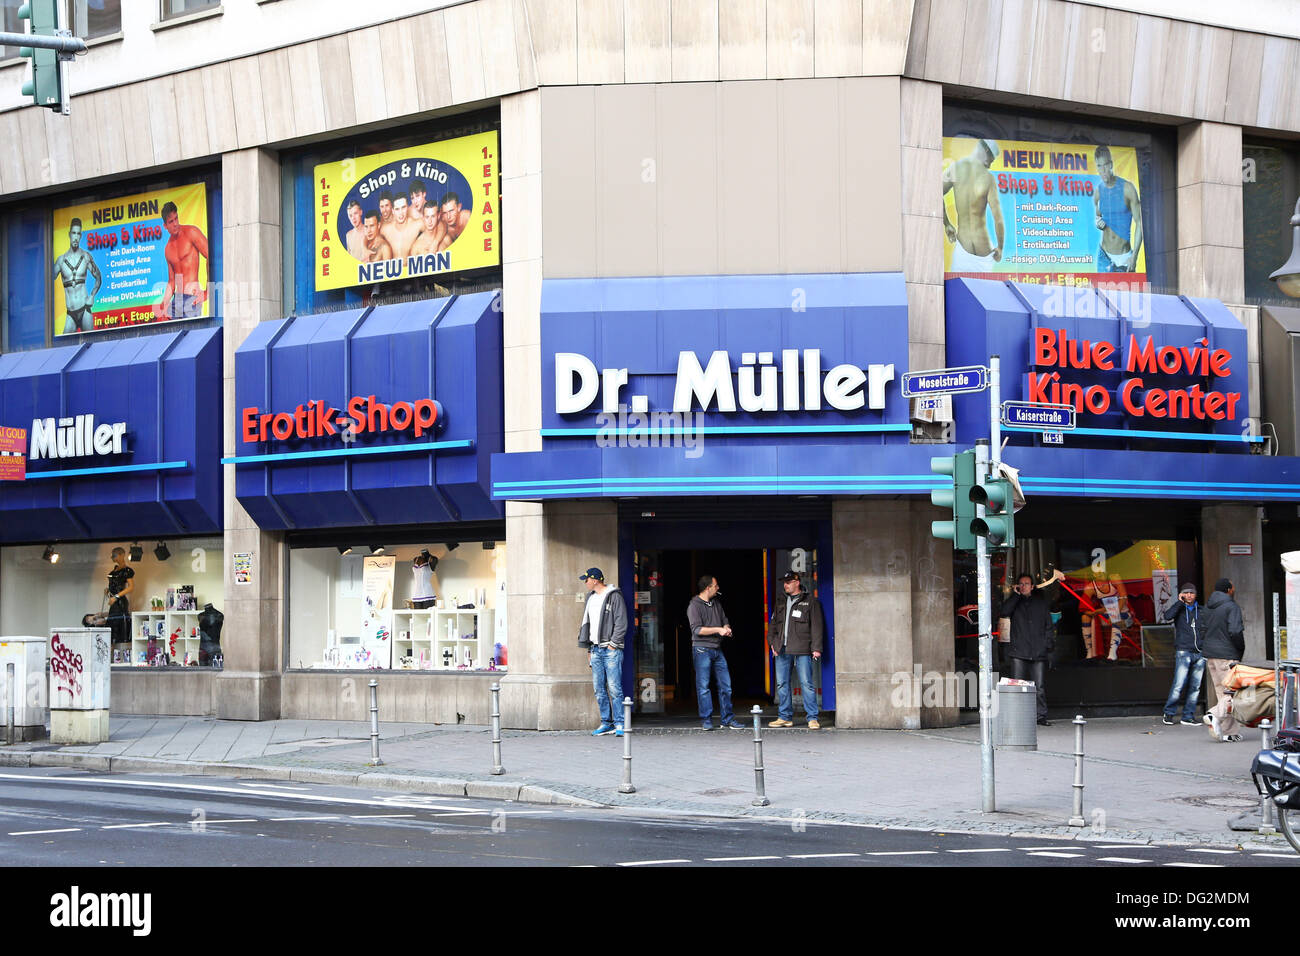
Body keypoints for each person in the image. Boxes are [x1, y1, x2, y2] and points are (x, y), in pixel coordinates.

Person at [999, 569, 1064, 726]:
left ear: (1032, 586)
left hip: (1038, 651)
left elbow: (1048, 625)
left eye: (1026, 584)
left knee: (1039, 687)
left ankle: (1040, 716)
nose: (1023, 586)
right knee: (1018, 687)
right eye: (1021, 584)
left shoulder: (1040, 604)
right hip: (1019, 651)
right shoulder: (1014, 602)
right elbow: (1004, 612)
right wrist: (1015, 595)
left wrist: (1047, 645)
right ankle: (1018, 717)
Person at [767, 570, 825, 729]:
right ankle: (785, 717)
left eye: (788, 582)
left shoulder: (810, 601)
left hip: (803, 649)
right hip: (781, 648)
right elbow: (773, 624)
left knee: (806, 683)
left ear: (797, 582)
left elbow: (817, 627)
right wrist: (771, 642)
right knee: (781, 684)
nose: (785, 585)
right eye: (784, 582)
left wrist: (816, 648)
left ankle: (812, 718)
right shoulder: (780, 600)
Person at [687, 574, 745, 730]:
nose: (718, 588)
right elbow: (697, 630)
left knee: (726, 686)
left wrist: (726, 628)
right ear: (708, 588)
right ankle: (706, 720)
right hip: (701, 649)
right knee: (704, 687)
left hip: (717, 649)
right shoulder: (694, 605)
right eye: (716, 585)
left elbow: (724, 619)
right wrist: (718, 630)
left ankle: (727, 719)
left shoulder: (716, 603)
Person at [576, 567, 628, 737]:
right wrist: (589, 648)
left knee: (614, 687)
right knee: (599, 688)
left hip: (610, 648)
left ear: (595, 580)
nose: (585, 582)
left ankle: (620, 723)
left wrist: (613, 644)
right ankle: (606, 722)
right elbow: (587, 624)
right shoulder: (590, 598)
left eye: (587, 579)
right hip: (596, 649)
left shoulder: (614, 596)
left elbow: (621, 622)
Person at [942, 138, 1005, 273]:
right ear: (986, 151)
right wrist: (1000, 247)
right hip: (984, 254)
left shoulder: (954, 168)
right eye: (991, 160)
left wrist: (947, 223)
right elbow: (998, 219)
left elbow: (934, 192)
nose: (990, 165)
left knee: (957, 293)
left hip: (962, 251)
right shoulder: (988, 178)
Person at [1202, 577, 1246, 742]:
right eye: (1233, 587)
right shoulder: (1231, 606)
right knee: (1234, 694)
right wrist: (1240, 650)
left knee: (1223, 693)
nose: (1234, 590)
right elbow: (1235, 631)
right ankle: (1214, 715)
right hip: (1227, 655)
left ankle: (1229, 732)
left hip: (1211, 656)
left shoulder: (1207, 607)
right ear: (1228, 589)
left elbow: (1202, 629)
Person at [1159, 582, 1205, 726]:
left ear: (1196, 594)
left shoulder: (1202, 610)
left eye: (1192, 593)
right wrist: (1179, 602)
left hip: (1200, 651)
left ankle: (1188, 716)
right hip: (1183, 651)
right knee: (1179, 684)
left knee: (1195, 686)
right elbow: (1167, 616)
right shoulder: (1179, 609)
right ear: (1182, 595)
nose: (1189, 595)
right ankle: (1169, 713)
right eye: (1186, 593)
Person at [1093, 145, 1143, 273]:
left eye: (1105, 165)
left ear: (1110, 165)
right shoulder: (1098, 191)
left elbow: (1140, 223)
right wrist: (1098, 224)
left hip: (1124, 258)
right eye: (1099, 166)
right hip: (1103, 256)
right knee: (1098, 293)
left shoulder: (1128, 188)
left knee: (1128, 293)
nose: (1102, 170)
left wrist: (1134, 256)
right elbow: (1098, 217)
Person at [155, 201, 209, 320]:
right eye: (171, 221)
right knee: (170, 334)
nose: (175, 224)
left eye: (176, 218)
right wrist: (164, 302)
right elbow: (172, 281)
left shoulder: (191, 232)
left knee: (191, 337)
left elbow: (211, 255)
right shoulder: (168, 248)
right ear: (165, 226)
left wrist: (207, 291)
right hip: (177, 301)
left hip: (192, 298)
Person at [53, 218, 103, 333]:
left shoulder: (86, 257)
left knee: (92, 344)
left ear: (81, 236)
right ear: (69, 234)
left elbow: (98, 278)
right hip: (70, 313)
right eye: (73, 233)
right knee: (65, 347)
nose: (75, 237)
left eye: (78, 233)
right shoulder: (61, 261)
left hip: (85, 310)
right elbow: (46, 281)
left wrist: (92, 296)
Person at [105, 547, 135, 647]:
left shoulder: (127, 571)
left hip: (120, 602)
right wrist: (109, 590)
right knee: (112, 628)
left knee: (120, 626)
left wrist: (116, 596)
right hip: (113, 601)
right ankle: (113, 653)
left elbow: (131, 587)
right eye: (112, 555)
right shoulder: (113, 571)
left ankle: (123, 653)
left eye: (115, 555)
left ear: (122, 555)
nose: (113, 558)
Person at [382, 193, 424, 259]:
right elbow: (371, 235)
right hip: (393, 268)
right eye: (397, 209)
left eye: (403, 207)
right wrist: (365, 248)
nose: (401, 213)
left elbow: (440, 225)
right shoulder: (385, 229)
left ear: (407, 207)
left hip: (410, 268)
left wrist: (435, 243)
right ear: (393, 211)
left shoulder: (416, 224)